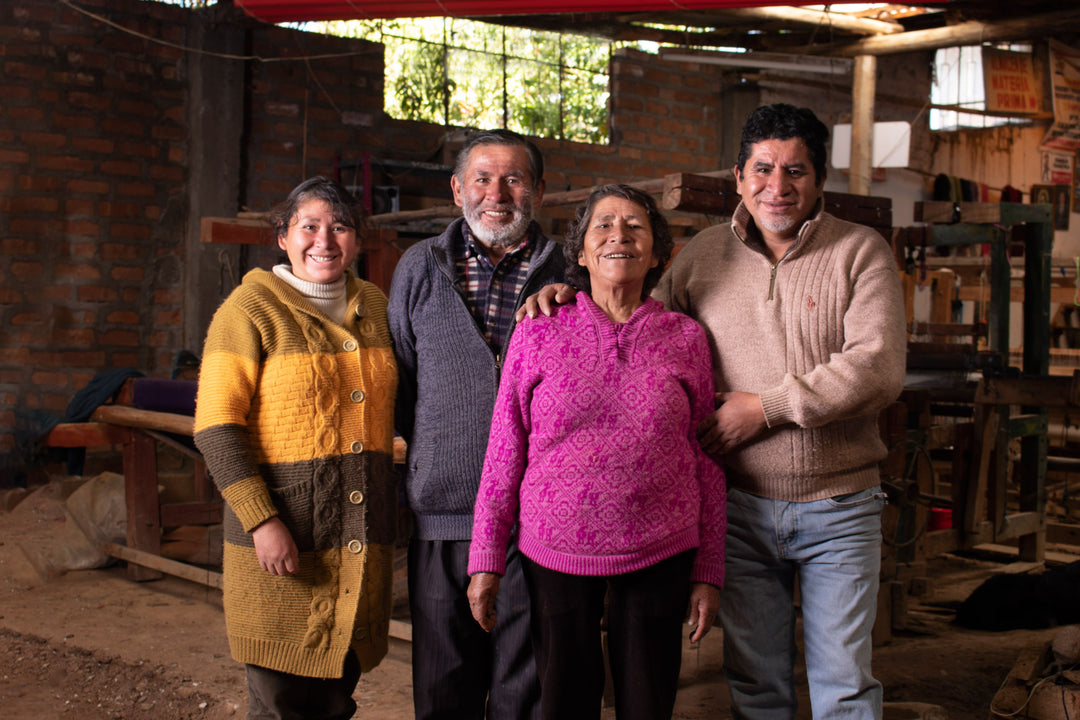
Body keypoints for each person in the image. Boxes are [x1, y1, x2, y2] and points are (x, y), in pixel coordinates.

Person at [521, 104, 907, 719]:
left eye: (795, 171)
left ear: (820, 180)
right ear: (737, 176)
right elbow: (640, 320)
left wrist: (768, 408)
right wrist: (564, 290)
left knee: (843, 681)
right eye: (762, 169)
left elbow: (879, 369)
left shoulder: (860, 252)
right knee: (755, 680)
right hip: (742, 505)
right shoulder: (702, 256)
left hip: (838, 504)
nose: (777, 187)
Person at [466, 184, 726, 720]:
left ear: (659, 254)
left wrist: (709, 567)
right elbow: (504, 446)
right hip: (554, 548)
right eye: (603, 226)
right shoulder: (538, 330)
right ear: (581, 253)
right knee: (565, 700)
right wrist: (486, 557)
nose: (619, 236)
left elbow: (707, 455)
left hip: (661, 544)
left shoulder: (686, 338)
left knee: (647, 703)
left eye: (636, 226)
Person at [193, 176, 398, 720]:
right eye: (309, 227)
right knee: (281, 701)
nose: (324, 241)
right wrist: (261, 521)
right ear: (283, 237)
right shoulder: (249, 310)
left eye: (340, 227)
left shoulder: (373, 305)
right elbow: (216, 426)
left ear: (357, 240)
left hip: (357, 544)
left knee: (336, 697)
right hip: (282, 541)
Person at [388, 128, 566, 720]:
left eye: (514, 179)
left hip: (537, 520)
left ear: (538, 190)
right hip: (445, 510)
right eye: (483, 179)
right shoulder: (419, 267)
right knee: (444, 688)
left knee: (526, 689)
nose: (498, 193)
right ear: (458, 188)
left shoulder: (568, 273)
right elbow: (401, 384)